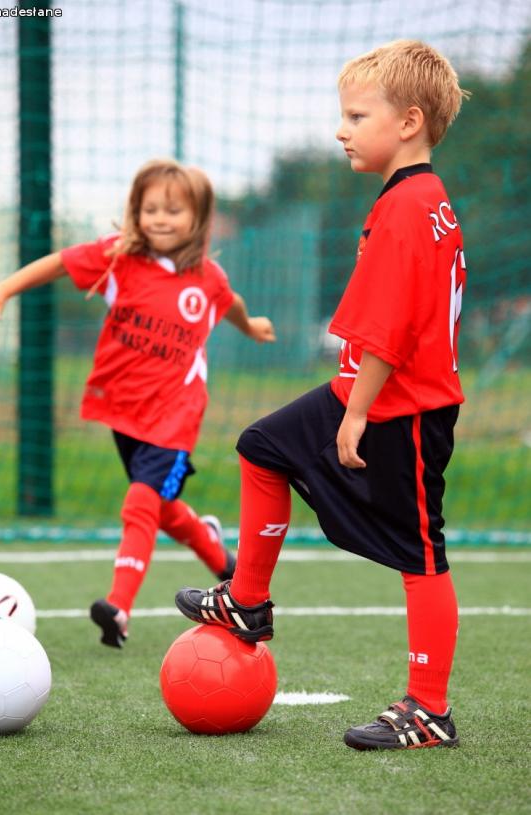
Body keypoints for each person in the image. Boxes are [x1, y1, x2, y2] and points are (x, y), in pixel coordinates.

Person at [175, 40, 469, 751]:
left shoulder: (409, 204)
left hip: (403, 406)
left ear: (409, 121)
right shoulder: (419, 199)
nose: (341, 129)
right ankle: (247, 601)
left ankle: (429, 708)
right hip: (371, 391)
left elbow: (392, 326)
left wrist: (359, 410)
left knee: (420, 553)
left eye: (356, 114)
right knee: (263, 446)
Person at [0, 158, 276, 649]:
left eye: (173, 210)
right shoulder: (117, 259)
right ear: (135, 212)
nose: (159, 218)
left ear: (197, 218)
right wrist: (4, 289)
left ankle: (118, 609)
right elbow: (58, 262)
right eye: (149, 208)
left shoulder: (209, 279)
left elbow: (233, 302)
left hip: (179, 414)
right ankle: (218, 553)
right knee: (160, 506)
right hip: (126, 410)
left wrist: (251, 325)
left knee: (141, 500)